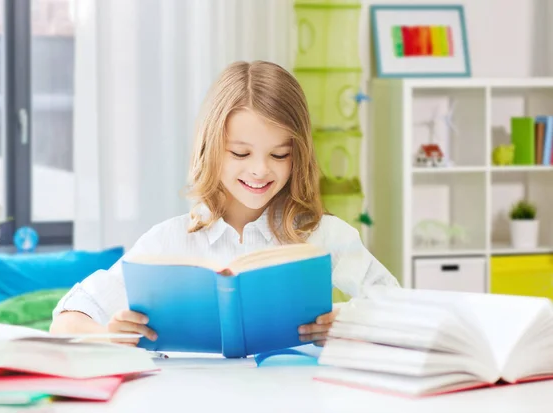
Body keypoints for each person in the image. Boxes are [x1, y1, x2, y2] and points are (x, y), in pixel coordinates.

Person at [50, 60, 399, 347]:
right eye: (240, 153)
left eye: (280, 154)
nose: (260, 170)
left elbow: (401, 307)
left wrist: (351, 323)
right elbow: (68, 319)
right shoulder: (169, 240)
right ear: (211, 148)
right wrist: (108, 338)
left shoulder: (322, 235)